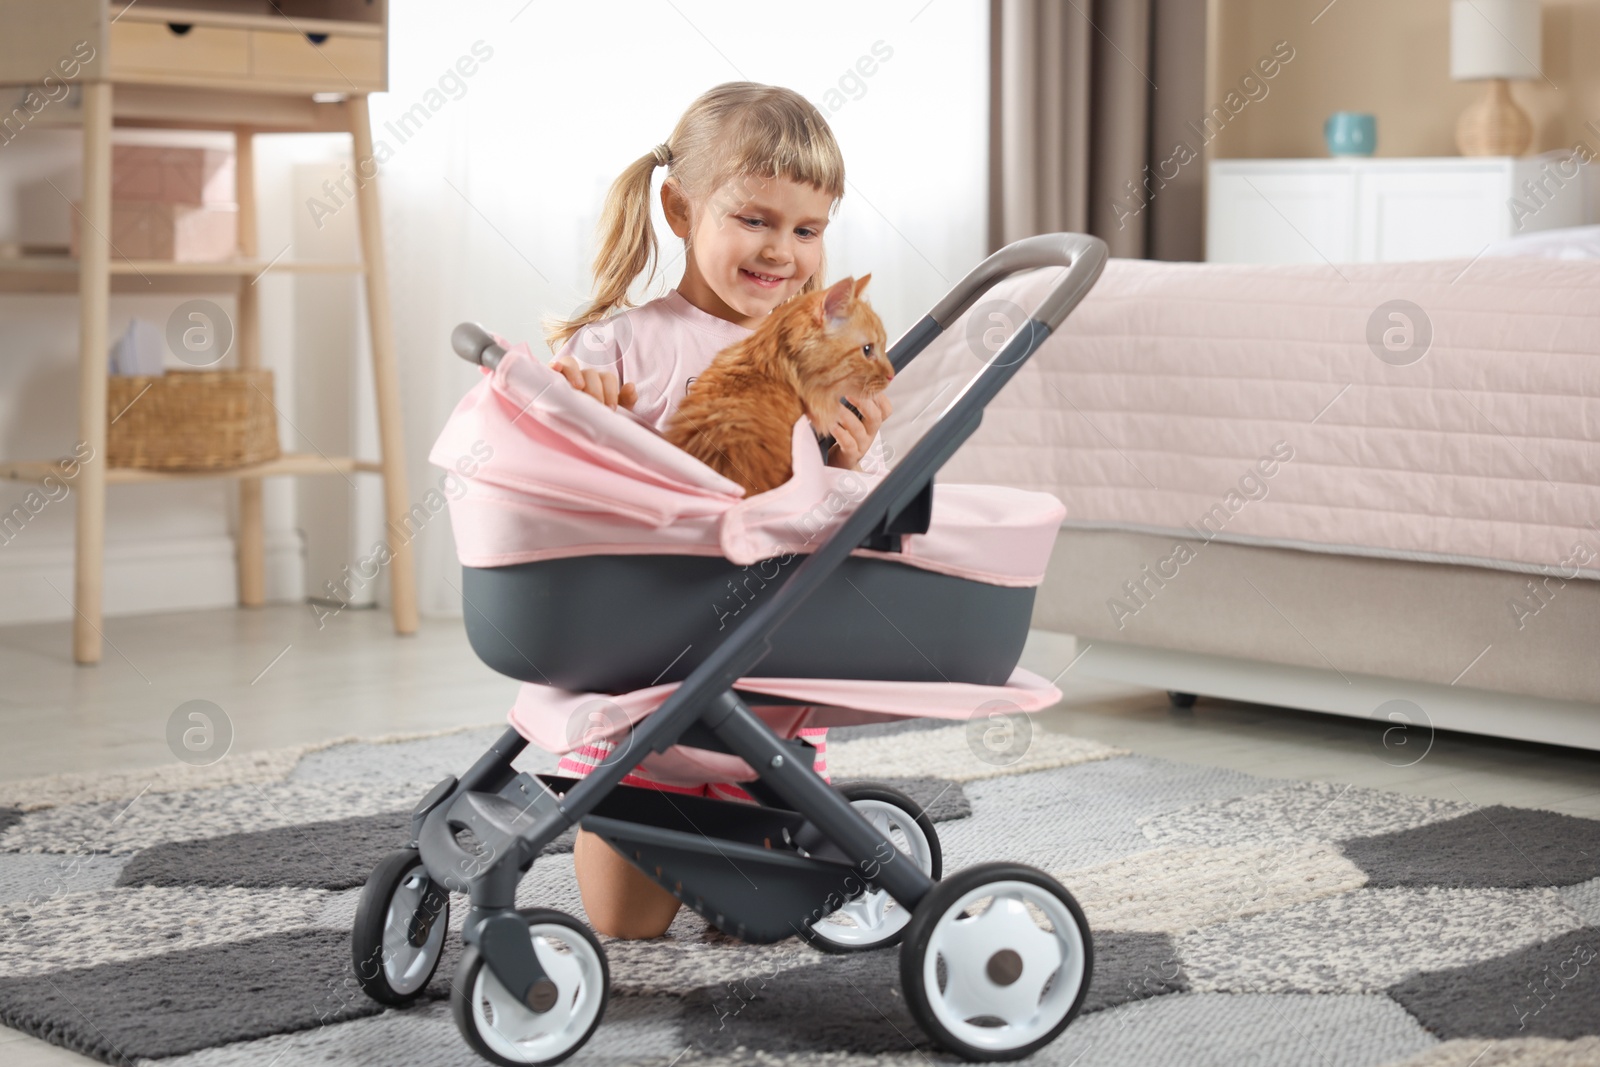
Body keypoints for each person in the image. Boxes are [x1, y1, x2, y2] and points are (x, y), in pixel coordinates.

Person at [541, 82, 891, 940]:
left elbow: (859, 517)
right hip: (648, 677)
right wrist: (581, 408)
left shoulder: (824, 350)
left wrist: (855, 453)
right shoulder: (619, 346)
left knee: (758, 921)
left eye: (808, 230)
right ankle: (665, 817)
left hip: (766, 682)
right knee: (629, 932)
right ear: (678, 208)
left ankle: (751, 840)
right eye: (755, 220)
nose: (784, 252)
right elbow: (557, 487)